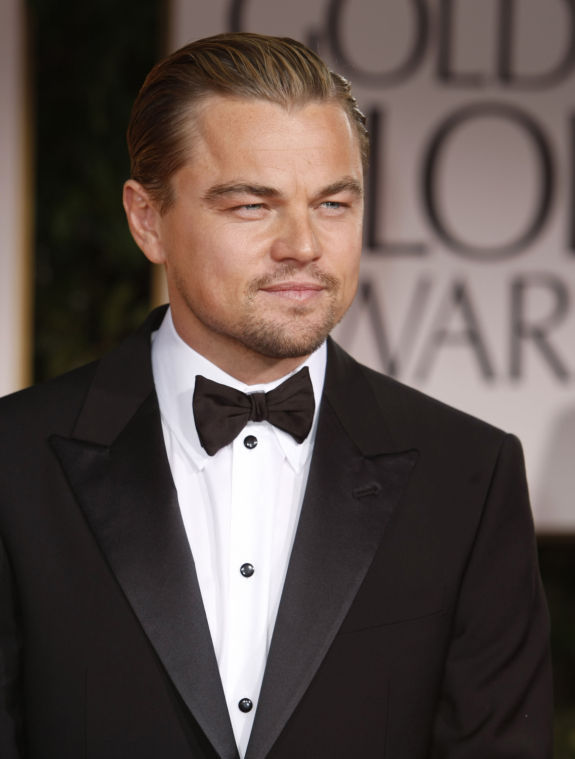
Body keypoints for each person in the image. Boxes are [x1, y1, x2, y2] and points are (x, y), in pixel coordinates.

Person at [0, 32, 552, 759]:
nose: (303, 244)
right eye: (252, 206)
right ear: (147, 219)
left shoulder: (469, 474)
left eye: (331, 203)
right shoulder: (13, 462)